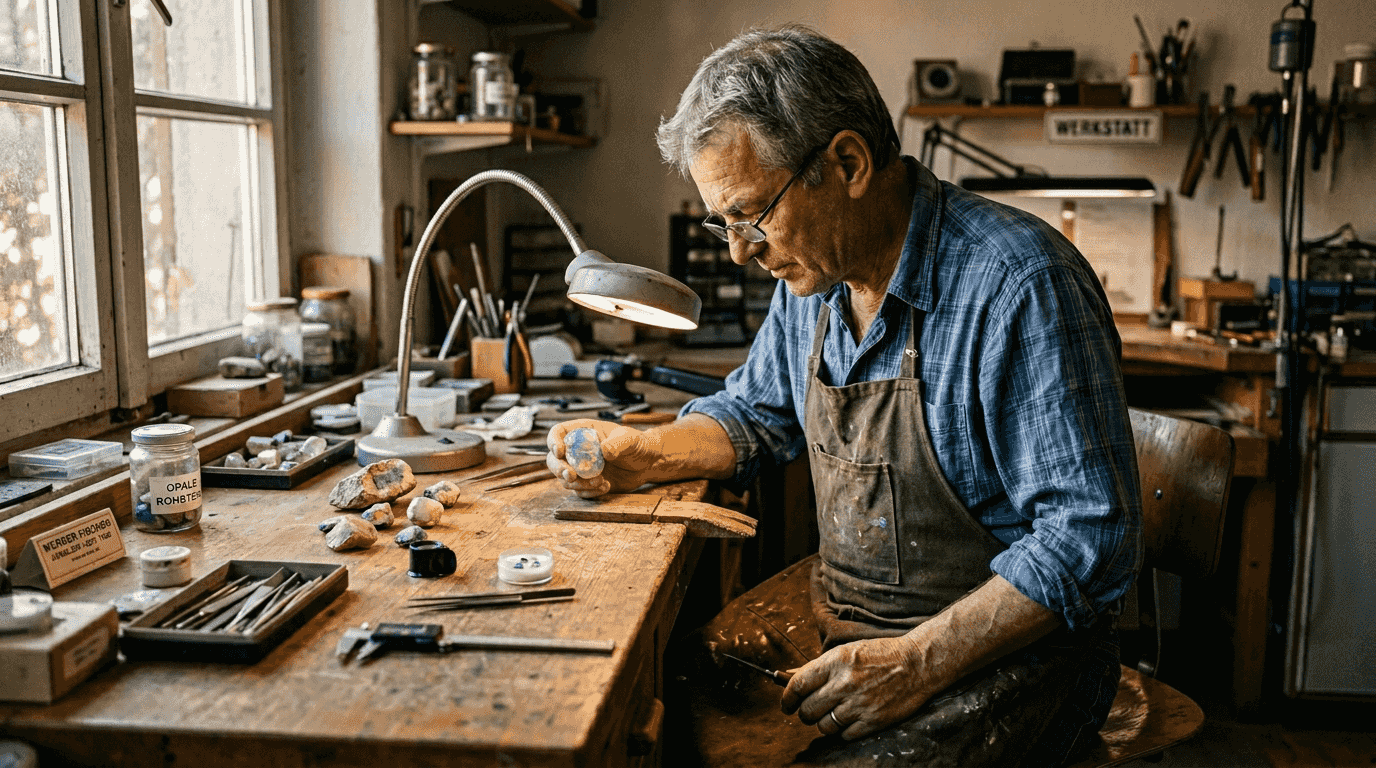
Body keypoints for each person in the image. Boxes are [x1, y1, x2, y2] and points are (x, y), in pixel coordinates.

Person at [547, 25, 1141, 767]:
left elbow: (1092, 539)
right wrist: (641, 452)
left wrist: (916, 663)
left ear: (849, 163)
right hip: (848, 616)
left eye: (751, 214)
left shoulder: (1018, 284)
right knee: (669, 695)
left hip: (1008, 657)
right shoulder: (815, 279)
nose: (739, 250)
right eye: (722, 221)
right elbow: (755, 415)